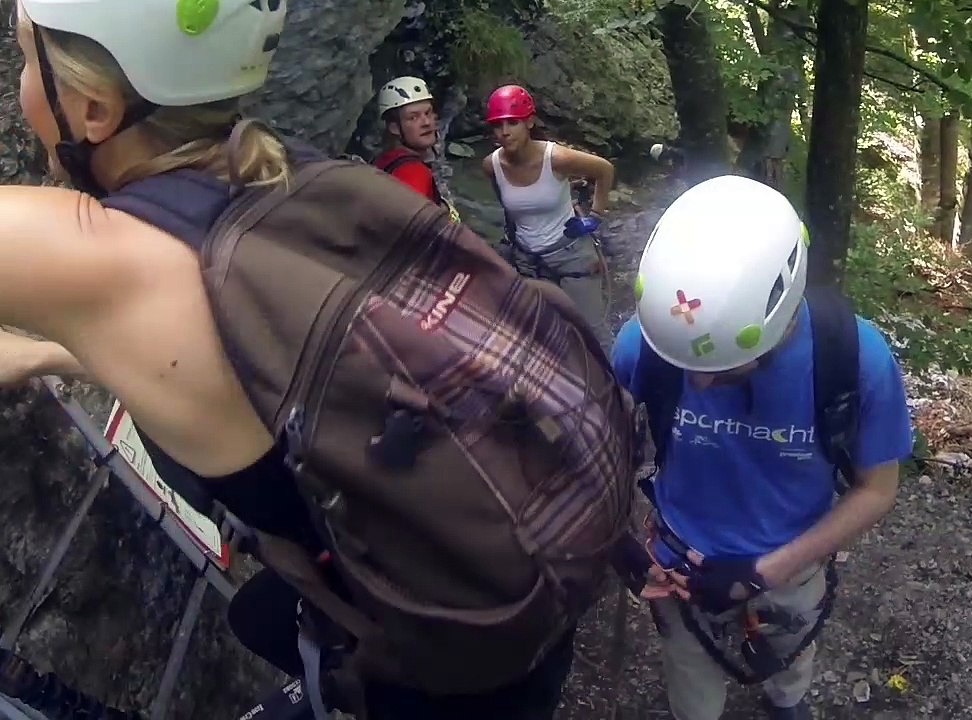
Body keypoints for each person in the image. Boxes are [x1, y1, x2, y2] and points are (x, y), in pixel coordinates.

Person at [0, 2, 638, 718]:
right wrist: (57, 354)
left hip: (424, 675)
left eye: (27, 57)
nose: (23, 80)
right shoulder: (291, 172)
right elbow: (245, 370)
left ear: (91, 108)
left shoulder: (105, 263)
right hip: (510, 615)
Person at [610, 175, 914, 720]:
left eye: (723, 368)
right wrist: (620, 543)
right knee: (692, 689)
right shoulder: (651, 344)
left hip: (793, 561)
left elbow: (877, 489)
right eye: (689, 368)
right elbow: (601, 445)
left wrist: (766, 572)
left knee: (789, 665)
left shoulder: (853, 359)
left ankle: (786, 701)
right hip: (679, 562)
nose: (699, 386)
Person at [482, 83, 617, 350]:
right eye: (498, 125)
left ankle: (618, 387)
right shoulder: (492, 166)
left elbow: (604, 170)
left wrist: (596, 216)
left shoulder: (557, 158)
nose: (505, 132)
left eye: (513, 123)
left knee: (593, 333)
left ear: (529, 122)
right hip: (528, 260)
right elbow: (509, 208)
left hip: (571, 253)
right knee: (546, 337)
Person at [371, 75, 460, 223]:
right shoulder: (413, 172)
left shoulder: (382, 161)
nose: (426, 122)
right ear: (394, 127)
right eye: (413, 117)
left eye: (428, 113)